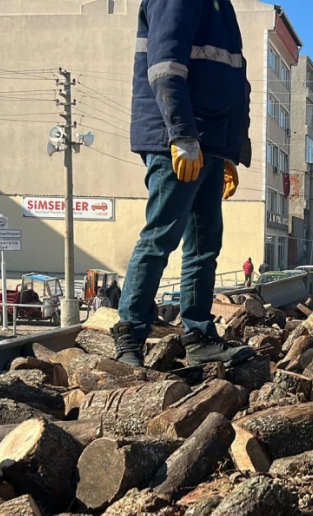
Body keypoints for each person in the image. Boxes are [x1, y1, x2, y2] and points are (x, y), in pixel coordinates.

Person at [114, 0, 254, 368]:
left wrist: (230, 150)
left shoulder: (219, 7)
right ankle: (129, 333)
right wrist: (182, 134)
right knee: (162, 235)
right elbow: (165, 66)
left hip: (209, 140)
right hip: (179, 139)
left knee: (205, 243)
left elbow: (236, 82)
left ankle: (198, 335)